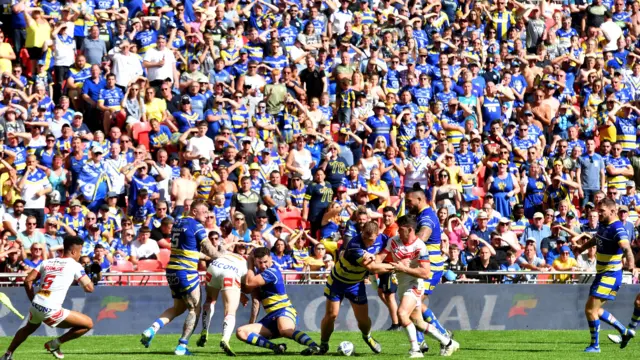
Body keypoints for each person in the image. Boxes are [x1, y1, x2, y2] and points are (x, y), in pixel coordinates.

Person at [140, 199, 223, 356]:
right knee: (194, 309)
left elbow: (189, 250)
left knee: (178, 308)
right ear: (194, 212)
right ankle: (182, 346)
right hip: (186, 272)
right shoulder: (196, 226)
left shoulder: (178, 223)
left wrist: (206, 258)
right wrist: (221, 256)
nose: (207, 215)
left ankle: (152, 330)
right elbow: (210, 250)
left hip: (172, 270)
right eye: (204, 212)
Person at [0, 236, 94, 360]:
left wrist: (33, 300)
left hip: (36, 304)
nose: (80, 255)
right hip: (51, 309)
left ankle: (7, 354)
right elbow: (89, 288)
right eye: (80, 251)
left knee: (28, 328)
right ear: (73, 252)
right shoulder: (75, 265)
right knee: (88, 324)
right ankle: (54, 344)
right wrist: (91, 276)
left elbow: (28, 280)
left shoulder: (47, 262)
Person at [381, 215, 459, 357]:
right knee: (418, 322)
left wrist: (403, 268)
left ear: (410, 230)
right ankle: (449, 343)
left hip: (415, 284)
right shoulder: (393, 241)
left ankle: (415, 350)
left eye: (401, 229)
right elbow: (378, 260)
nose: (398, 232)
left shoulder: (420, 246)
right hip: (402, 286)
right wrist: (369, 261)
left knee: (402, 314)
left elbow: (425, 273)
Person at [571, 198, 636, 353]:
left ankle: (595, 346)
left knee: (589, 310)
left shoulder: (618, 229)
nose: (598, 213)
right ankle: (624, 332)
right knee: (597, 310)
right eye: (598, 211)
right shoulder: (604, 225)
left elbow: (626, 247)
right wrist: (581, 248)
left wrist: (631, 263)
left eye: (602, 211)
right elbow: (597, 239)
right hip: (603, 274)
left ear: (613, 212)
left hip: (610, 275)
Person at [319, 221, 393, 354]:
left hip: (356, 284)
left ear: (377, 235)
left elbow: (394, 244)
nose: (366, 241)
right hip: (337, 281)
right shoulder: (354, 245)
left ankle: (368, 337)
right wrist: (396, 266)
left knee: (363, 319)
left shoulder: (383, 239)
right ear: (362, 232)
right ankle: (323, 343)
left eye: (370, 239)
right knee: (331, 315)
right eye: (364, 236)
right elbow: (371, 267)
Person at [236, 247, 321, 355]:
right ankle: (276, 347)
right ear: (256, 261)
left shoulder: (272, 272)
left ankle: (314, 346)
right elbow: (251, 294)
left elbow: (249, 283)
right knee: (241, 332)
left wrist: (250, 263)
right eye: (260, 262)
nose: (263, 266)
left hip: (284, 311)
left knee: (285, 330)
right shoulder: (259, 274)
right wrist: (240, 294)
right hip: (271, 318)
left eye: (265, 262)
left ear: (271, 259)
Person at [405, 186, 456, 354]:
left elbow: (422, 236)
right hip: (427, 265)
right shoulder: (421, 215)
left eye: (409, 201)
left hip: (430, 266)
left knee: (414, 305)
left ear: (419, 200)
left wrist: (403, 249)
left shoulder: (427, 216)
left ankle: (444, 337)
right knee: (415, 305)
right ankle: (425, 341)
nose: (407, 204)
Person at [198, 251, 247, 355]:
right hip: (232, 272)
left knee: (210, 300)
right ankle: (225, 339)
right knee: (230, 310)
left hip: (214, 267)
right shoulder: (247, 263)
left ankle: (204, 329)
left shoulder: (227, 253)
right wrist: (241, 293)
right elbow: (247, 284)